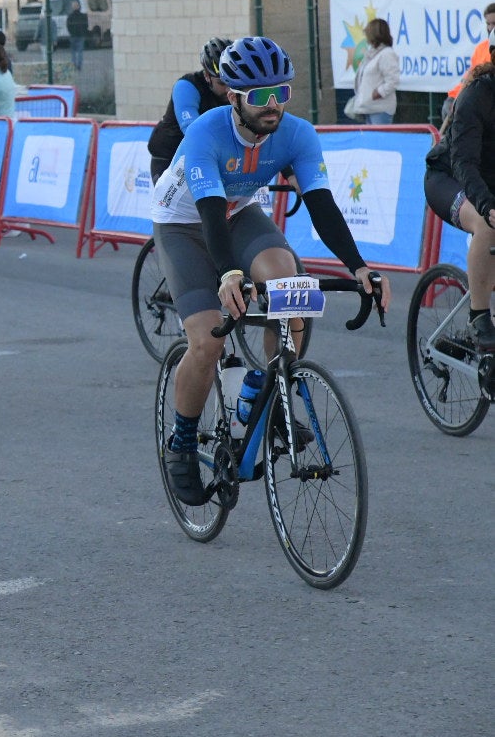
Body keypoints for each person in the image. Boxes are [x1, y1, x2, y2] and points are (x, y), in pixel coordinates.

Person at [152, 37, 388, 506]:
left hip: (238, 213)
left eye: (282, 91)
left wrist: (359, 267)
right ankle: (180, 442)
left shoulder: (297, 134)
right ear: (233, 97)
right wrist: (227, 273)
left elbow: (321, 205)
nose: (273, 104)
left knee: (291, 284)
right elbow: (209, 213)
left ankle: (264, 388)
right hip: (184, 223)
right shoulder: (205, 133)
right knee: (208, 341)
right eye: (260, 96)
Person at [426, 58, 495, 352]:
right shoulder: (477, 95)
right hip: (450, 178)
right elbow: (464, 162)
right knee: (487, 223)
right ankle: (479, 318)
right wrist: (486, 205)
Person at [148, 37, 233, 182]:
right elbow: (192, 129)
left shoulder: (239, 90)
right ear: (207, 76)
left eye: (232, 82)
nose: (229, 89)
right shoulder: (187, 86)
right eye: (221, 83)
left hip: (207, 158)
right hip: (170, 158)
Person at [347, 18, 400, 125]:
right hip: (369, 108)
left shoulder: (387, 54)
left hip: (380, 109)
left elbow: (393, 80)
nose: (366, 36)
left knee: (380, 141)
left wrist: (379, 92)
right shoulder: (372, 54)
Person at [65, 0, 89, 70]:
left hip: (73, 36)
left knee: (73, 51)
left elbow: (68, 26)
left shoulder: (70, 16)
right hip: (81, 35)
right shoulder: (83, 16)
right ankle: (79, 65)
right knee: (80, 51)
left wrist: (71, 32)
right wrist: (84, 32)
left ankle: (74, 64)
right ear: (79, 7)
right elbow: (86, 25)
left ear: (72, 7)